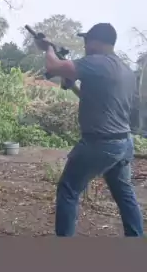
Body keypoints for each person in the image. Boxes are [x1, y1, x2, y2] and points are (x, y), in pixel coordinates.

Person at [34, 23, 144, 237]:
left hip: (100, 143)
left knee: (68, 189)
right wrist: (71, 84)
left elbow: (53, 66)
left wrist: (47, 48)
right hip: (123, 143)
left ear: (96, 42)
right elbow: (93, 98)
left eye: (86, 41)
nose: (85, 46)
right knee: (125, 194)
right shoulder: (125, 70)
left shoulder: (99, 62)